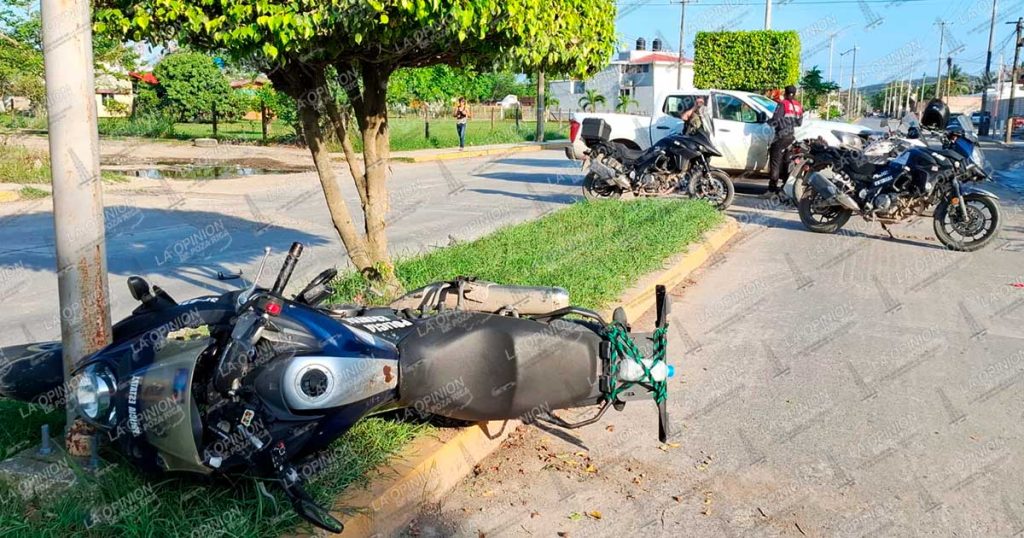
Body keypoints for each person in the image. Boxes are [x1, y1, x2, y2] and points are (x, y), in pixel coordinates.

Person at [767, 85, 803, 196]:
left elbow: (775, 120)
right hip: (791, 137)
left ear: (785, 93)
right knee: (786, 162)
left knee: (775, 162)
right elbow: (799, 123)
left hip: (780, 137)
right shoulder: (798, 106)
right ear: (795, 94)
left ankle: (772, 190)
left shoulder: (783, 104)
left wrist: (768, 122)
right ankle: (784, 189)